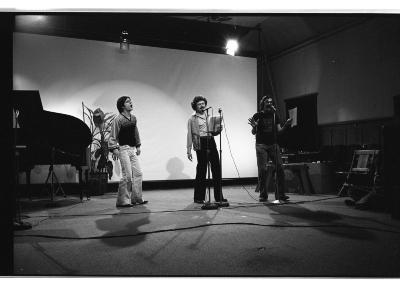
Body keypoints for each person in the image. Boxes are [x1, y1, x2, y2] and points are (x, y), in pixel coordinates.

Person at [248, 96, 292, 202]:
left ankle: (281, 194)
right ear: (263, 103)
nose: (269, 103)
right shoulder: (257, 115)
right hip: (261, 145)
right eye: (267, 101)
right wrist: (255, 127)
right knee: (263, 169)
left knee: (280, 168)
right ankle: (263, 195)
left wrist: (286, 125)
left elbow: (279, 131)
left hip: (273, 144)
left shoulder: (274, 115)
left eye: (271, 102)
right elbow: (253, 132)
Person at [187, 95, 227, 204]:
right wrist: (189, 149)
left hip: (211, 141)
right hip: (200, 143)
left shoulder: (209, 116)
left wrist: (218, 130)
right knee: (202, 170)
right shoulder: (192, 118)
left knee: (216, 168)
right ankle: (199, 197)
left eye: (203, 103)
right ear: (195, 106)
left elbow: (214, 132)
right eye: (199, 104)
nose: (202, 105)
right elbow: (189, 134)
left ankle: (219, 197)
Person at [109, 96, 148, 207]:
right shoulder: (118, 119)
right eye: (127, 102)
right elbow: (113, 136)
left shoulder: (133, 118)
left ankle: (137, 198)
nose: (131, 103)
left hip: (132, 149)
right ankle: (123, 201)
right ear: (122, 106)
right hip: (123, 149)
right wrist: (114, 149)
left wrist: (138, 145)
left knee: (138, 173)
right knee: (127, 176)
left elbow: (136, 132)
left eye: (130, 101)